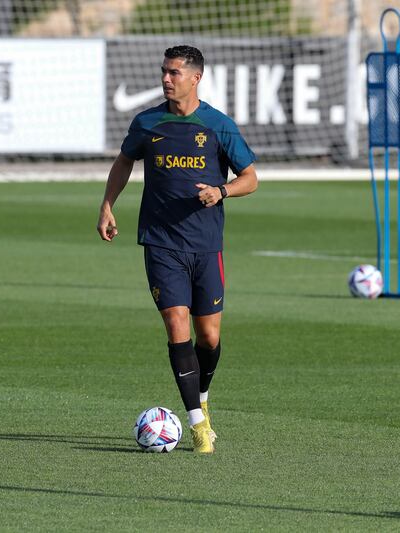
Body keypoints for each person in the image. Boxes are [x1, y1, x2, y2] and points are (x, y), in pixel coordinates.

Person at [97, 45, 258, 453]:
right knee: (176, 322)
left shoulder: (218, 126)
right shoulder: (148, 122)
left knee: (209, 335)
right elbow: (123, 161)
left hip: (206, 245)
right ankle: (198, 424)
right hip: (160, 241)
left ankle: (201, 396)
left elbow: (251, 178)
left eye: (174, 73)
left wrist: (221, 191)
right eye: (164, 72)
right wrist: (107, 205)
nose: (166, 79)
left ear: (196, 77)